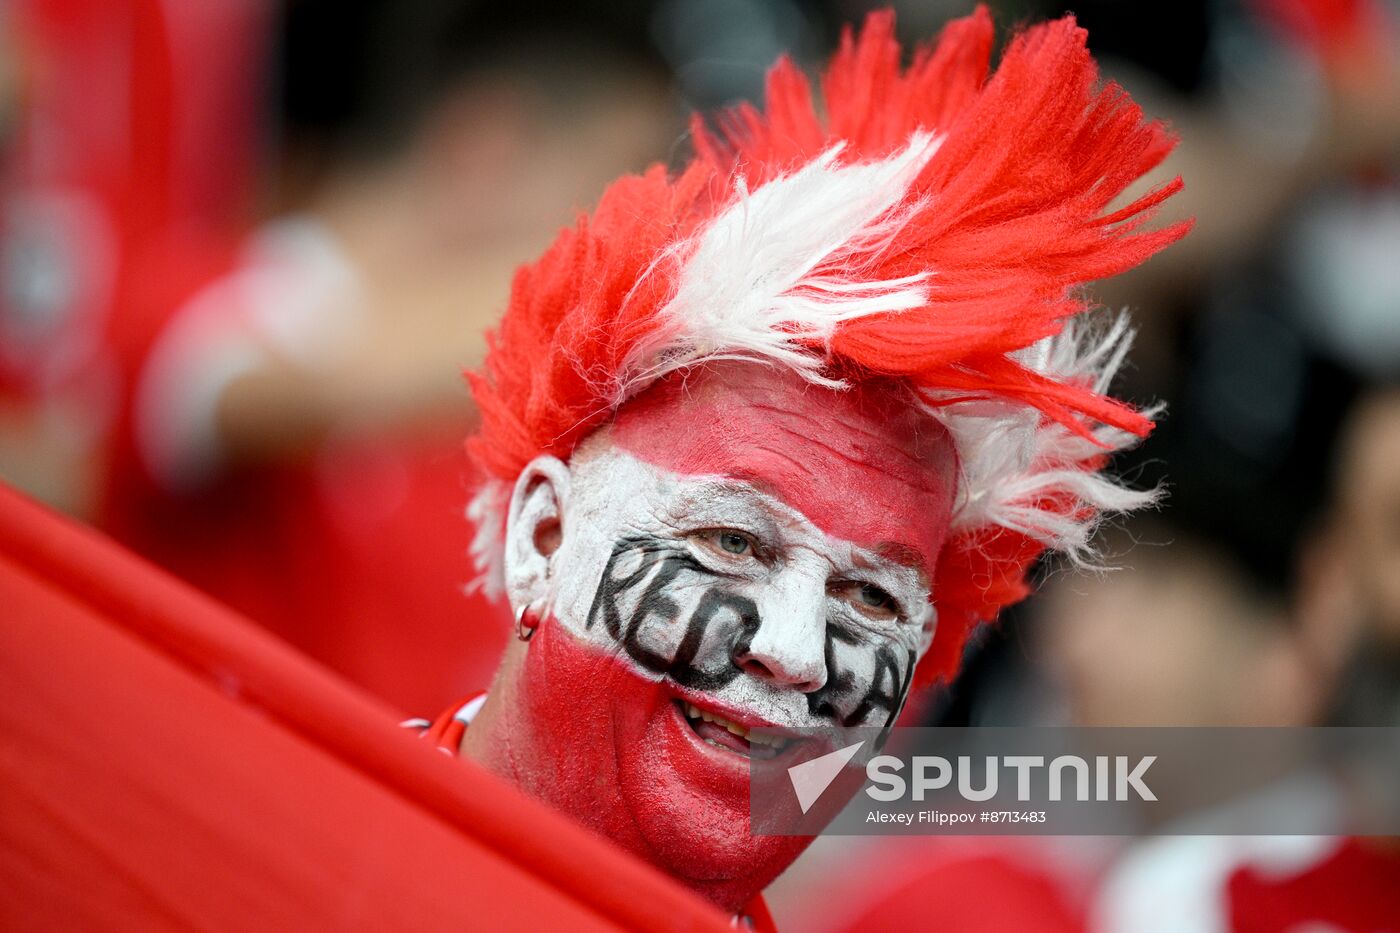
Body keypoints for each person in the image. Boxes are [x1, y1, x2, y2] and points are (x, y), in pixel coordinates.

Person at [415, 6, 1189, 923]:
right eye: (734, 538)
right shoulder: (255, 839)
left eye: (872, 599)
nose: (792, 650)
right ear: (544, 534)